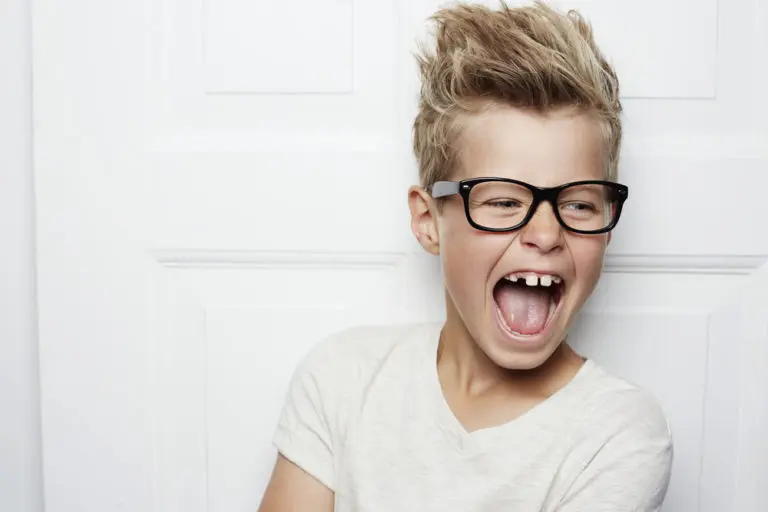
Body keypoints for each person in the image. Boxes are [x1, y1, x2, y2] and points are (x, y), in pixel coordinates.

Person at [258, 1, 673, 510]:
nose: (546, 234)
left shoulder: (619, 434)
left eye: (579, 204)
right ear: (429, 220)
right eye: (503, 201)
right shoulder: (342, 378)